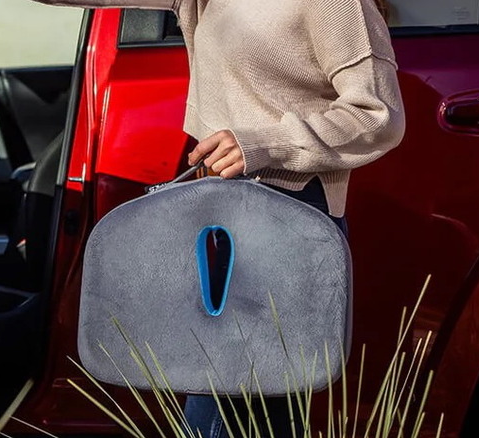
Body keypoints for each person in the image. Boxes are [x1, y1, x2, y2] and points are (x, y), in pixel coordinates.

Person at [34, 0, 405, 436]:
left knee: (223, 405)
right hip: (217, 215)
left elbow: (379, 115)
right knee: (252, 412)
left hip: (288, 217)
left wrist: (264, 143)